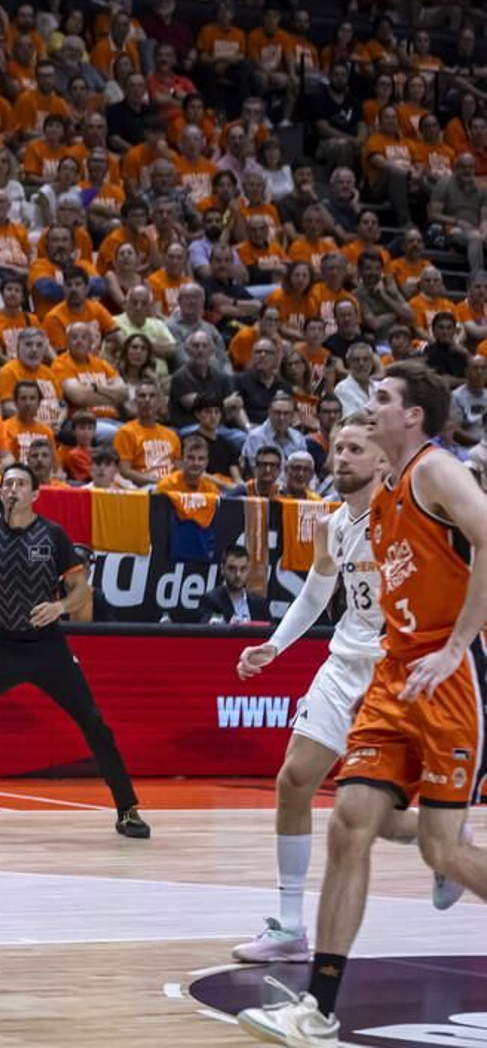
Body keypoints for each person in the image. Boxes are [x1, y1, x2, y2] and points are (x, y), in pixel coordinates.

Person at [239, 362, 487, 1046]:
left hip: (450, 674)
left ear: (410, 418)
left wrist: (456, 643)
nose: (367, 407)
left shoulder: (438, 471)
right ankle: (317, 1009)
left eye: (380, 400)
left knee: (443, 850)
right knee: (349, 823)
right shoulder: (376, 506)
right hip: (390, 673)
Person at [231, 414, 444, 965]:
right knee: (294, 779)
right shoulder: (330, 525)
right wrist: (273, 646)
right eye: (339, 448)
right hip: (343, 663)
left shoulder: (408, 515)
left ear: (382, 460)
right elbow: (315, 594)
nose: (341, 457)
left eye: (356, 449)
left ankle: (445, 846)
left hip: (396, 670)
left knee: (366, 811)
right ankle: (289, 928)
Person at [0, 463, 148, 838]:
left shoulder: (53, 537)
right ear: (0, 493)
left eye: (20, 484)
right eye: (7, 483)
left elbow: (81, 589)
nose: (12, 489)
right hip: (0, 645)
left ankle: (128, 809)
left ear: (35, 494)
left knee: (93, 721)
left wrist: (60, 607)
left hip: (48, 647)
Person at [196, 545, 271, 624]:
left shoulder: (259, 603)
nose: (238, 574)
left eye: (243, 569)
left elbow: (272, 630)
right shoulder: (211, 600)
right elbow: (207, 623)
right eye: (232, 568)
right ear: (222, 569)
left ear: (248, 570)